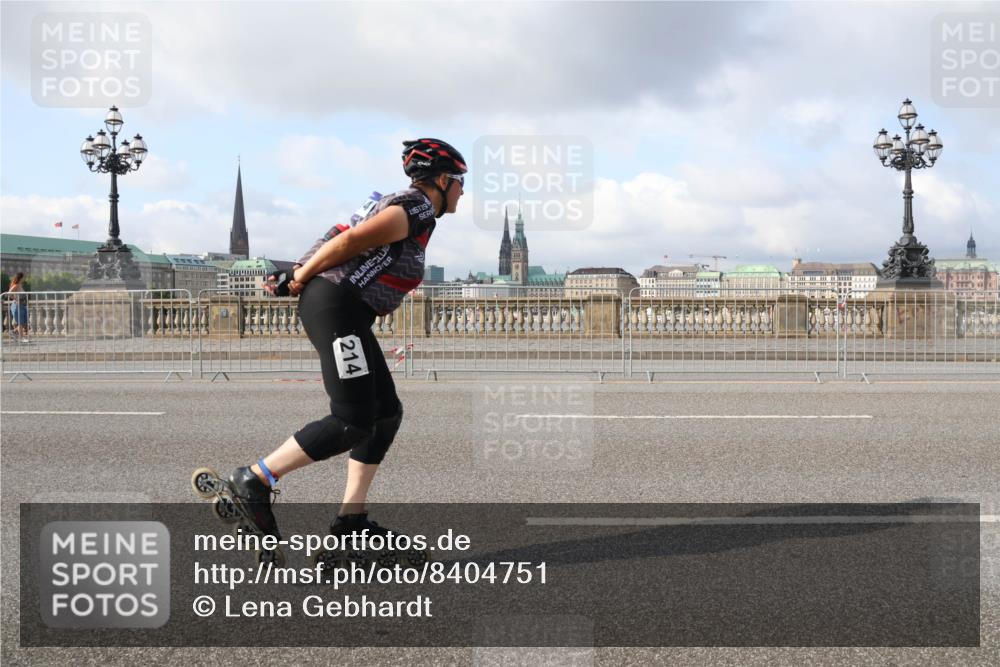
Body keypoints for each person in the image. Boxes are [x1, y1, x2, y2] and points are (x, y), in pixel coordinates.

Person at [224, 138, 466, 541]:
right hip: (338, 309)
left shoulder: (399, 205)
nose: (462, 191)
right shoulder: (416, 208)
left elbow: (340, 230)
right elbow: (348, 242)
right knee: (352, 420)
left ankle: (351, 521)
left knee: (385, 413)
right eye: (460, 181)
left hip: (347, 310)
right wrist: (300, 278)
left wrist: (297, 270)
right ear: (442, 180)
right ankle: (254, 479)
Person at [7, 272, 29, 342]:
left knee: (23, 322)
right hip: (17, 306)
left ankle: (13, 332)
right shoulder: (16, 285)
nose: (25, 278)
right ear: (21, 278)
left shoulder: (20, 285)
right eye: (24, 277)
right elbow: (9, 293)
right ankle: (21, 338)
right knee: (20, 322)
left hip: (22, 306)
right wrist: (15, 299)